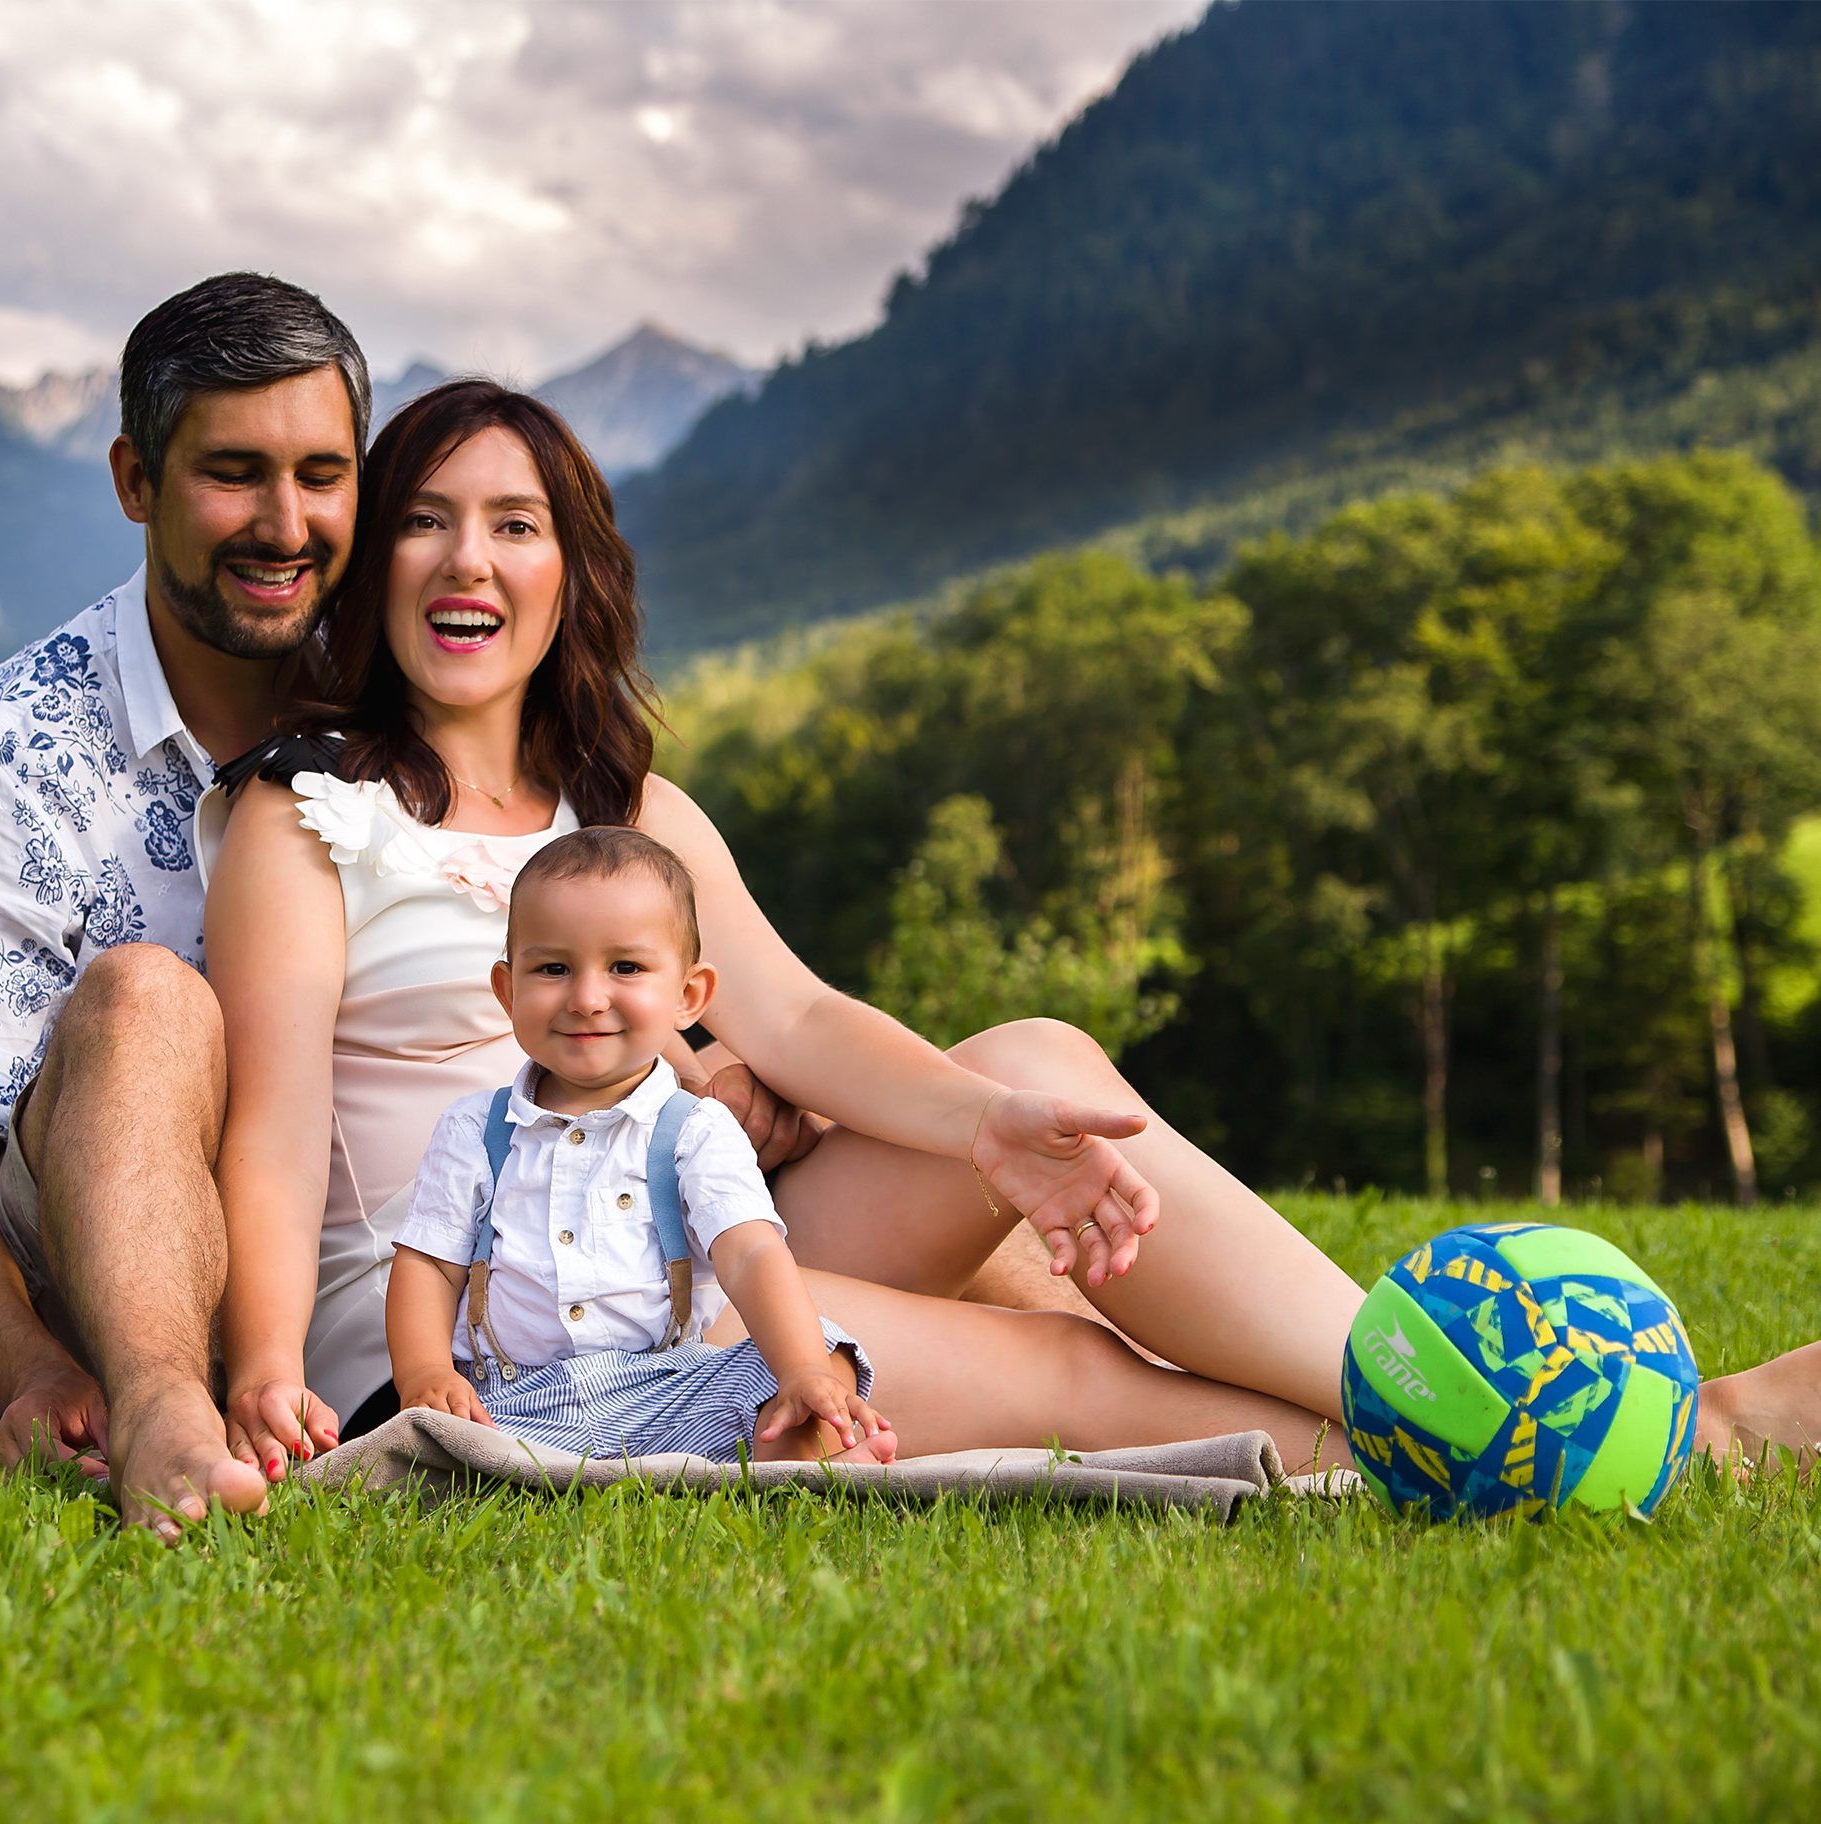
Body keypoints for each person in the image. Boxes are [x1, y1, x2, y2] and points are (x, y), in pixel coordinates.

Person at [204, 376, 1821, 1484]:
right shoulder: (313, 817)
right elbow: (269, 1135)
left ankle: (1443, 1382)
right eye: (425, 517)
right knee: (1066, 1379)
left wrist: (1001, 1132)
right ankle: (1536, 1439)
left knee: (1042, 1061)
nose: (468, 557)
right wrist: (268, 1370)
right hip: (504, 1339)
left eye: (516, 521)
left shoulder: (630, 806)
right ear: (376, 565)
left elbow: (811, 1023)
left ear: (568, 571)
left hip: (705, 1247)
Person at [0, 274, 822, 1539]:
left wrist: (699, 1057)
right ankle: (167, 1423)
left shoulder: (406, 691)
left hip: (406, 1258)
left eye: (322, 474)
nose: (285, 523)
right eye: (233, 475)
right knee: (152, 997)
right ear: (136, 483)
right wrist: (34, 1371)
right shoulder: (7, 753)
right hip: (108, 1246)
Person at [388, 826, 895, 1465]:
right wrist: (424, 1372)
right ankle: (523, 1470)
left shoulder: (694, 1130)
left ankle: (813, 1434)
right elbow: (429, 1264)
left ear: (688, 996)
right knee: (430, 1445)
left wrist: (798, 1368)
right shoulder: (475, 1131)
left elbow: (748, 1252)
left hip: (670, 1391)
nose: (587, 998)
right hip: (511, 1406)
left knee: (822, 1349)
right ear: (508, 990)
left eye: (625, 967)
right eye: (553, 969)